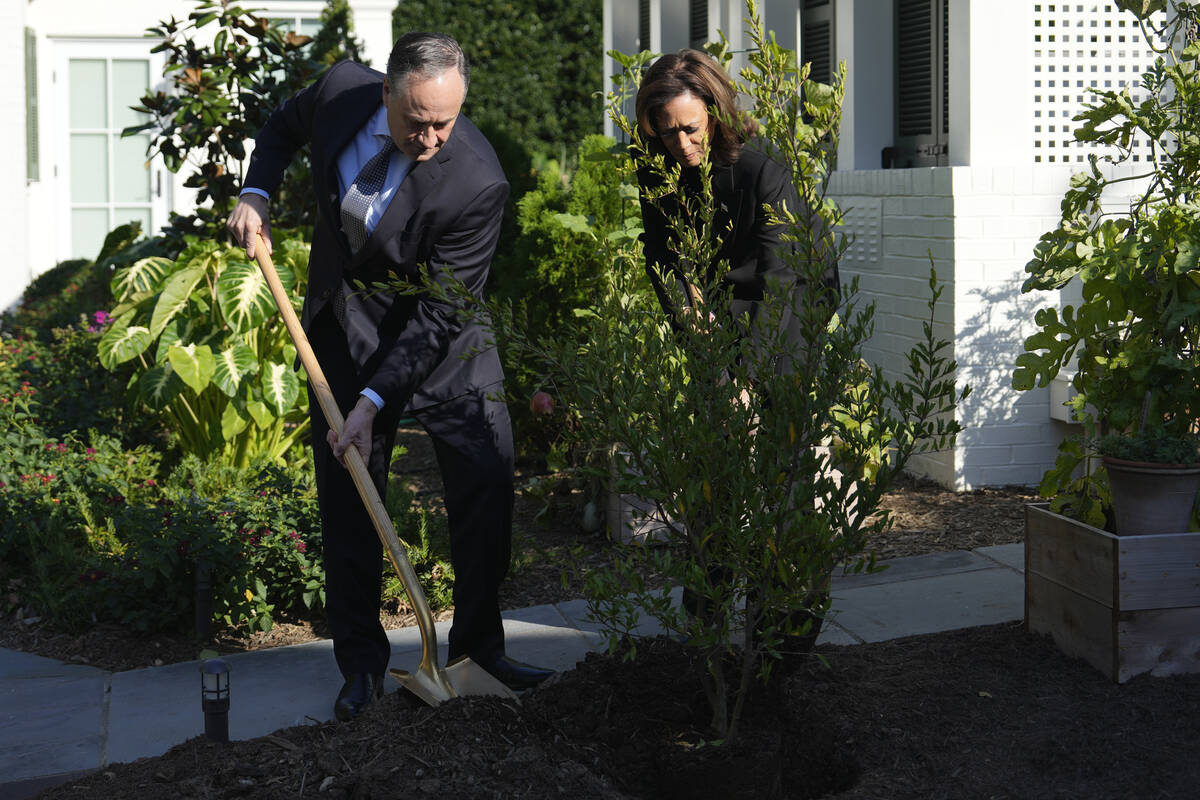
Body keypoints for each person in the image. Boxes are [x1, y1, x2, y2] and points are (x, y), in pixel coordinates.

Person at [227, 32, 552, 722]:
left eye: (446, 121)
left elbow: (438, 315)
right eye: (417, 122)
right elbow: (281, 128)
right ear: (385, 95)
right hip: (345, 331)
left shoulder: (478, 179)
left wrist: (376, 399)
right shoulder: (341, 90)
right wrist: (257, 190)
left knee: (486, 485)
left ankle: (479, 650)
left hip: (446, 335)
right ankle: (361, 668)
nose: (432, 137)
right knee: (350, 496)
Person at [633, 48, 840, 657]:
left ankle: (784, 638)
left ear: (716, 114)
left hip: (790, 304)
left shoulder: (760, 167)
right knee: (715, 472)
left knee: (782, 470)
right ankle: (708, 625)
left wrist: (749, 381)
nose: (680, 143)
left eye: (689, 128)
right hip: (718, 308)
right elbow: (662, 258)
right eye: (665, 130)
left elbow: (781, 281)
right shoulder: (657, 168)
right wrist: (699, 335)